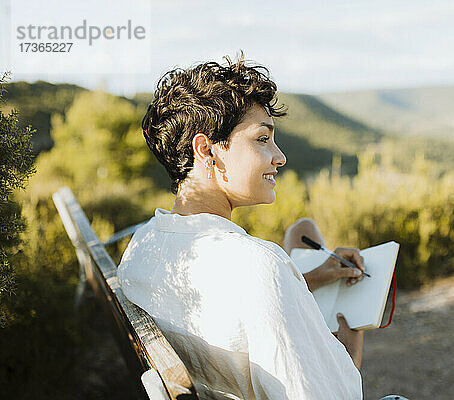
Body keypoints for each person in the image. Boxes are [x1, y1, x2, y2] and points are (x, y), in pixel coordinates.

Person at [117, 54, 367, 399]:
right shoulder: (259, 263)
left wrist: (309, 279)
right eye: (262, 139)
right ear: (207, 150)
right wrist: (354, 323)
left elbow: (220, 307)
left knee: (301, 230)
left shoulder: (141, 245)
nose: (279, 157)